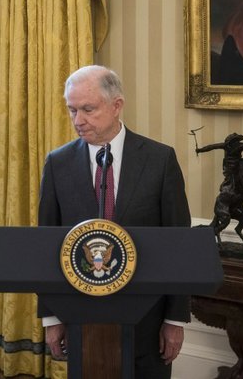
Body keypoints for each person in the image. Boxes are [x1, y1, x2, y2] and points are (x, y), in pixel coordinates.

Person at [37, 65, 191, 378]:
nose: (78, 121)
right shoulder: (58, 163)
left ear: (116, 105)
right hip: (81, 317)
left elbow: (180, 244)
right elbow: (47, 244)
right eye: (72, 110)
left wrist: (175, 320)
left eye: (88, 109)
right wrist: (52, 319)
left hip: (148, 319)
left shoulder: (160, 160)